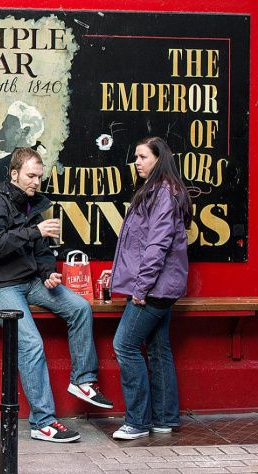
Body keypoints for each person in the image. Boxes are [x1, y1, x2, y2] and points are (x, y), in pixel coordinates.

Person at [0, 147, 113, 443]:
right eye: (30, 175)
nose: (36, 182)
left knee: (79, 307)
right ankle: (43, 422)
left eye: (39, 176)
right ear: (14, 174)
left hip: (31, 281)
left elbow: (42, 252)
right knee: (31, 343)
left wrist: (49, 273)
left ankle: (83, 381)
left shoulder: (30, 205)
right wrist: (36, 231)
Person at [103, 137, 191, 440]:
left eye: (142, 157)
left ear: (159, 158)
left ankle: (137, 422)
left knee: (124, 345)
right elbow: (138, 245)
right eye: (136, 157)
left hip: (154, 289)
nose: (137, 162)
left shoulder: (162, 193)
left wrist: (140, 288)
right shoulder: (157, 190)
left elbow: (157, 246)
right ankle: (164, 419)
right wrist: (115, 274)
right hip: (160, 287)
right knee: (158, 349)